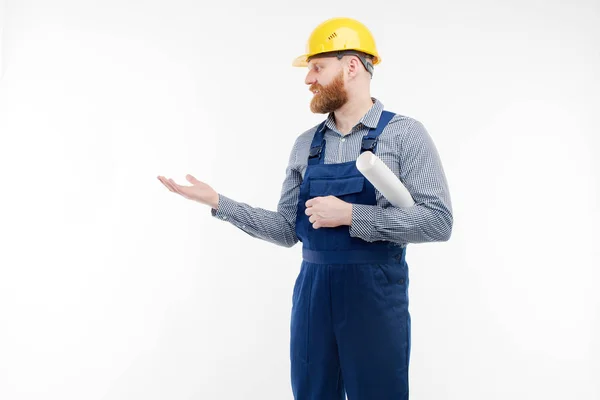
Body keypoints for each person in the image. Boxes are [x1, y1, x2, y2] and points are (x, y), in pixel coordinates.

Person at [158, 16, 452, 400]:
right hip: (313, 294)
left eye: (317, 67)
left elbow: (438, 221)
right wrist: (218, 202)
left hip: (375, 296)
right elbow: (285, 230)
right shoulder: (306, 145)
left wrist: (350, 215)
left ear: (351, 66)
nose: (308, 79)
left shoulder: (405, 134)